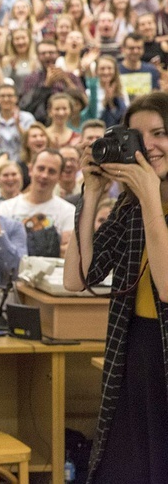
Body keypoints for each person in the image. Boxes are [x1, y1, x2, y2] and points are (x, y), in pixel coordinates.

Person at [63, 91, 168, 483]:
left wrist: (151, 200)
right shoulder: (130, 207)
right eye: (139, 137)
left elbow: (166, 286)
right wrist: (91, 193)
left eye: (159, 133)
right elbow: (76, 278)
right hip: (132, 349)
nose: (150, 147)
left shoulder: (146, 203)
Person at [0, 149, 75, 257]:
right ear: (30, 169)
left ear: (60, 176)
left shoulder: (69, 211)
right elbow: (1, 249)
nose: (44, 175)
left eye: (51, 171)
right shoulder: (6, 208)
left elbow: (67, 253)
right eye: (41, 169)